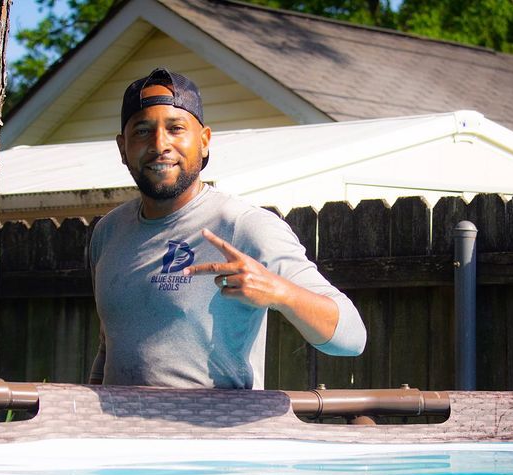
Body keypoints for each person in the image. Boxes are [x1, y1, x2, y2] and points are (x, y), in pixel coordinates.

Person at [89, 67, 366, 388]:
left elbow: (351, 337)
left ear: (204, 141)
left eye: (176, 128)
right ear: (123, 148)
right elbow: (109, 346)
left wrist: (281, 292)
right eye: (142, 131)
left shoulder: (246, 227)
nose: (159, 144)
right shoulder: (107, 232)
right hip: (121, 436)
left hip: (214, 435)